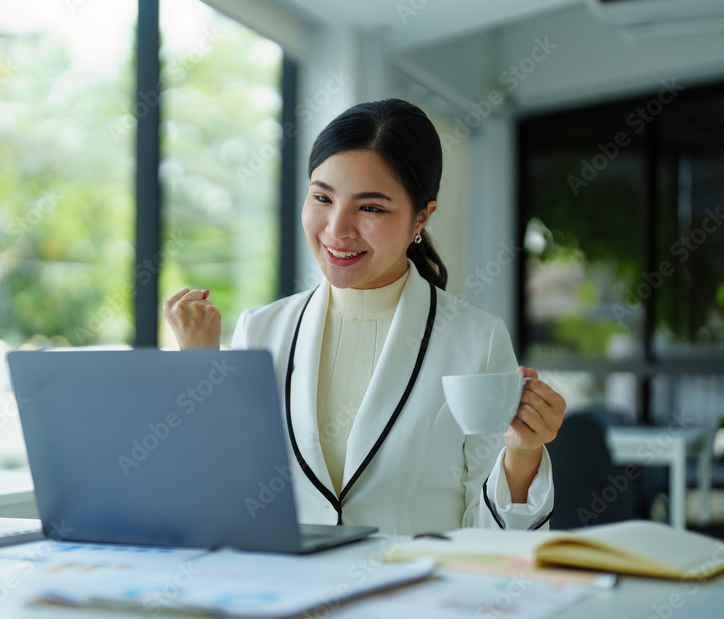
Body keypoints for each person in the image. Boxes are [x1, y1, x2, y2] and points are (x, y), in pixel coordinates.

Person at [163, 98, 564, 535]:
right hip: (285, 596)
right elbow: (220, 500)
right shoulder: (259, 330)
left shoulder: (476, 340)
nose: (337, 229)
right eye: (322, 197)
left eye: (370, 208)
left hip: (414, 599)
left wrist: (523, 455)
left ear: (421, 218)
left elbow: (490, 540)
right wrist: (198, 365)